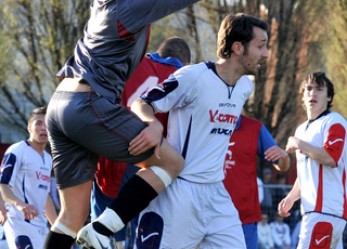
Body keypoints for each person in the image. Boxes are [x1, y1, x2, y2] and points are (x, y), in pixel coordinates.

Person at [44, 1, 200, 249]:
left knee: (71, 218)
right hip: (87, 103)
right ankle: (101, 230)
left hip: (60, 104)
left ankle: (98, 229)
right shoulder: (126, 8)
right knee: (171, 162)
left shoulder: (104, 7)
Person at [131, 13, 269, 249]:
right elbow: (140, 103)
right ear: (237, 47)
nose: (266, 54)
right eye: (261, 46)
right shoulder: (193, 77)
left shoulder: (245, 87)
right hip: (179, 192)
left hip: (217, 195)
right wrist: (152, 123)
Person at [91, 37, 192, 249]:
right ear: (184, 61)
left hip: (109, 152)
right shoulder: (186, 77)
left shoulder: (132, 61)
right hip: (151, 160)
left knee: (101, 230)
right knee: (143, 230)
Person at [278, 72, 347, 249]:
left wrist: (299, 144)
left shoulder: (334, 121)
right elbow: (306, 173)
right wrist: (291, 197)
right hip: (314, 212)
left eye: (319, 89)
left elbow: (331, 158)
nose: (312, 93)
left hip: (326, 210)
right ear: (302, 95)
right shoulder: (301, 129)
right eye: (308, 89)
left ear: (329, 96)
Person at [223, 114, 290, 249]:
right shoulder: (202, 122)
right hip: (207, 214)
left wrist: (284, 157)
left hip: (244, 218)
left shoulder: (254, 128)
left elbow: (282, 164)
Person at [0, 106, 57, 249]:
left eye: (47, 124)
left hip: (41, 227)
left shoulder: (48, 159)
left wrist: (58, 228)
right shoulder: (18, 150)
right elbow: (3, 185)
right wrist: (20, 205)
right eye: (38, 123)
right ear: (29, 127)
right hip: (18, 223)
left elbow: (46, 196)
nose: (43, 128)